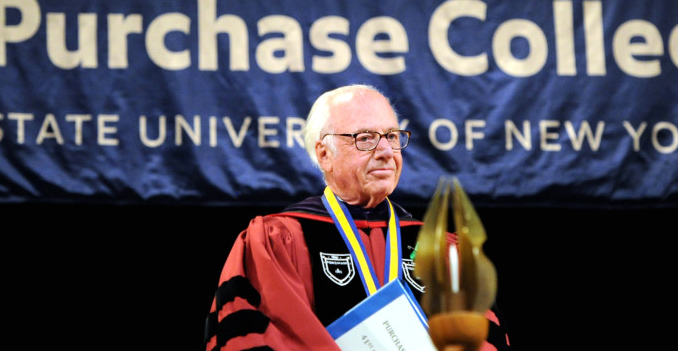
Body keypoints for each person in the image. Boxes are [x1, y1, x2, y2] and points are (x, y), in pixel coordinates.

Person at [204, 83, 512, 350]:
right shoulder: (277, 242)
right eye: (365, 138)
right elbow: (267, 336)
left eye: (392, 136)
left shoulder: (443, 250)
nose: (386, 151)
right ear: (325, 154)